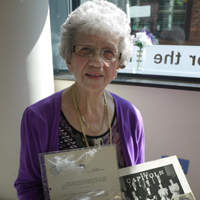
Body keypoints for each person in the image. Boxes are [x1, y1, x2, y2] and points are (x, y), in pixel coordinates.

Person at [14, 0, 145, 199]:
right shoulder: (37, 117)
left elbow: (136, 183)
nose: (96, 62)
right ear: (68, 59)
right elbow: (28, 187)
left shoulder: (131, 116)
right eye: (86, 49)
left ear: (118, 64)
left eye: (108, 52)